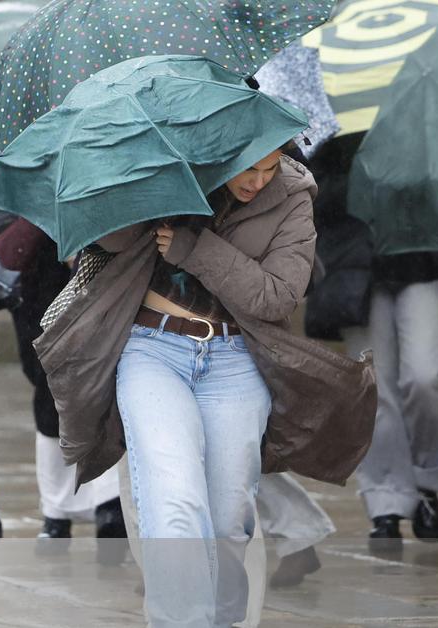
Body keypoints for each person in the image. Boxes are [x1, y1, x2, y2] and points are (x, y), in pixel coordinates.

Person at [42, 144, 375, 627]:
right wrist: (129, 186)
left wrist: (195, 250)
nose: (258, 181)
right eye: (248, 168)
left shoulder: (293, 195)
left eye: (270, 168)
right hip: (152, 350)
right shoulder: (167, 168)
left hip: (236, 358)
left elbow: (277, 296)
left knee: (227, 522)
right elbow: (110, 242)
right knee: (174, 504)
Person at [305, 134, 438, 555]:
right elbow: (313, 196)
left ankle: (428, 481)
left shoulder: (431, 118)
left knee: (428, 375)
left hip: (425, 258)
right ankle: (385, 502)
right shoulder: (332, 124)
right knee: (375, 391)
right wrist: (363, 179)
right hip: (356, 266)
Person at [5, 222, 125, 558]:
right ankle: (56, 512)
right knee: (50, 393)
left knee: (106, 386)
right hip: (42, 265)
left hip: (106, 254)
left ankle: (109, 503)